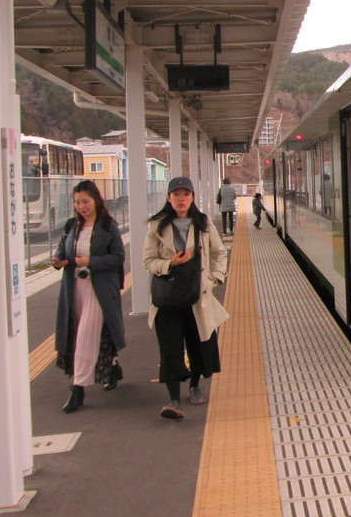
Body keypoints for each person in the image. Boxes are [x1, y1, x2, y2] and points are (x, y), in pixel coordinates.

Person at [144, 176, 228, 420]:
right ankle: (173, 399)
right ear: (168, 198)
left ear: (192, 198)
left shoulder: (202, 223)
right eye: (176, 194)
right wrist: (170, 263)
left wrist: (215, 278)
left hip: (196, 295)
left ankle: (194, 386)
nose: (181, 199)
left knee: (197, 344)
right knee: (170, 347)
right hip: (168, 297)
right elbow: (148, 261)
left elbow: (218, 253)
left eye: (186, 194)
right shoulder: (156, 225)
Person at [52, 180, 127, 413]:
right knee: (80, 333)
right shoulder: (70, 226)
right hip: (74, 288)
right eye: (77, 202)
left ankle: (78, 388)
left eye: (85, 201)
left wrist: (92, 262)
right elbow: (61, 250)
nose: (81, 206)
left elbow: (118, 256)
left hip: (99, 289)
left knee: (85, 336)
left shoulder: (108, 226)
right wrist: (58, 260)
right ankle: (112, 367)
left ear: (96, 200)